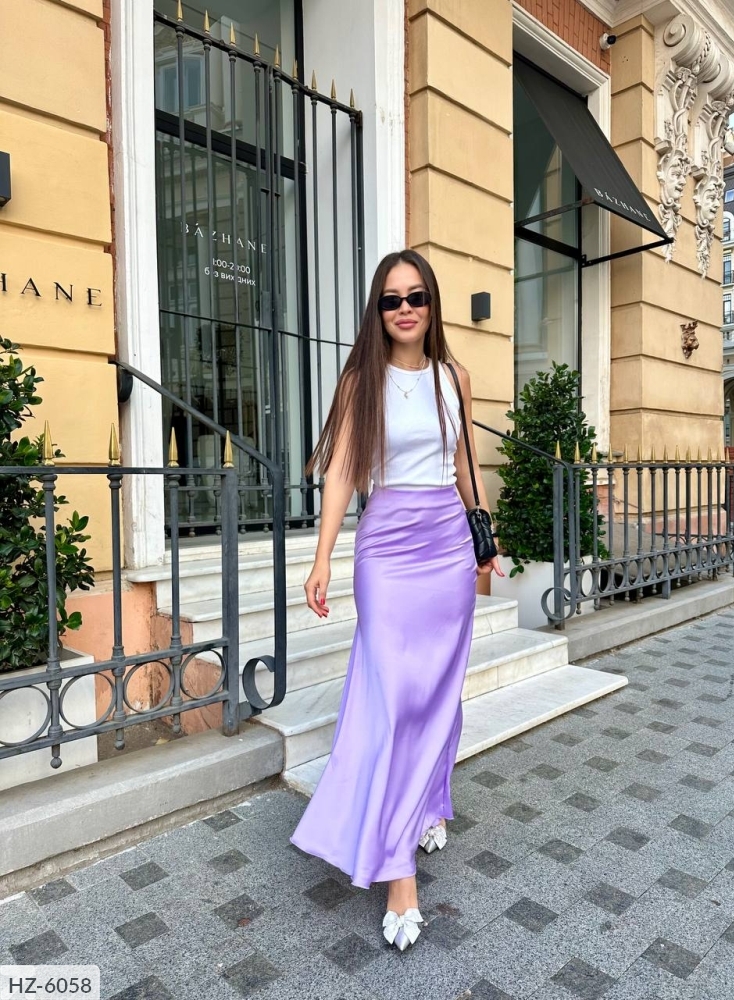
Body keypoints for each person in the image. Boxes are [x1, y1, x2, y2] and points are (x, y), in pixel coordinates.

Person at [290, 249, 502, 951]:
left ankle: (429, 802)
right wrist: (322, 557)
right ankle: (397, 871)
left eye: (416, 296)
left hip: (446, 546)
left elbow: (466, 466)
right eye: (391, 299)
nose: (405, 308)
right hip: (386, 548)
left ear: (432, 304)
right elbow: (343, 472)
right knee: (394, 701)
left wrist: (482, 536)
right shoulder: (362, 382)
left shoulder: (455, 378)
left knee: (436, 696)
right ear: (377, 312)